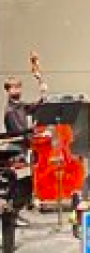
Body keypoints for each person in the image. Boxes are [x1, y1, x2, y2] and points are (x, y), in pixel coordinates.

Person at [3, 72, 47, 227]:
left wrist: (41, 83)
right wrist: (34, 130)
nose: (17, 90)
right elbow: (19, 132)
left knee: (26, 184)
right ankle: (14, 213)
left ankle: (16, 213)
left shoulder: (20, 105)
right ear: (8, 90)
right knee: (22, 185)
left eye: (19, 87)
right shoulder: (10, 110)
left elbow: (36, 106)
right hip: (16, 151)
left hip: (22, 149)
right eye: (13, 87)